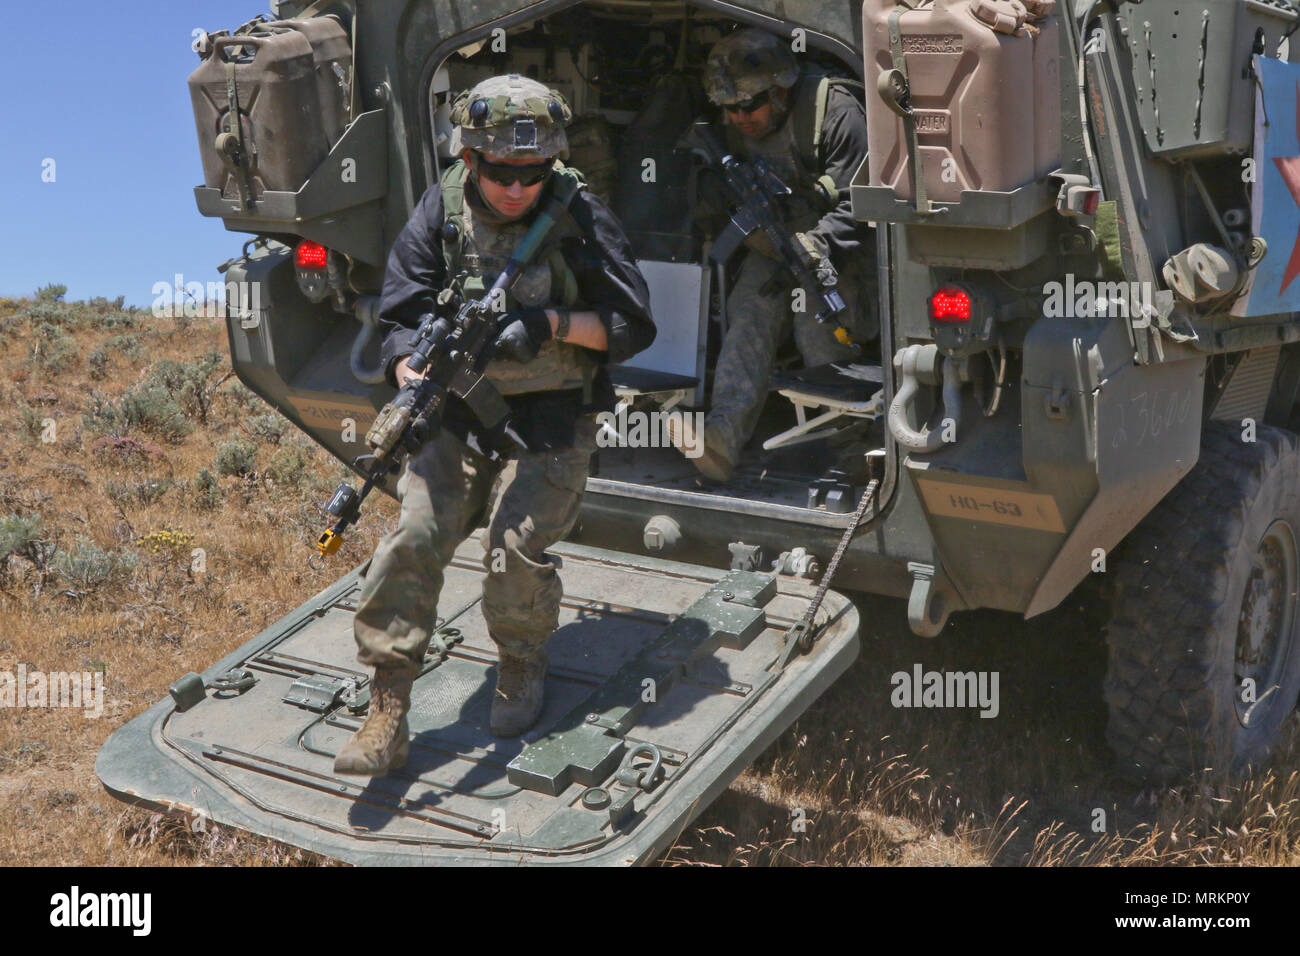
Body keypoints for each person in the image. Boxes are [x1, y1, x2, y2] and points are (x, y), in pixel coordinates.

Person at [334, 74, 655, 775]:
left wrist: (548, 325)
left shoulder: (579, 214)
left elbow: (633, 326)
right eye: (502, 172)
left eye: (532, 174)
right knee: (412, 538)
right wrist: (407, 367)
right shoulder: (441, 208)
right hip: (457, 413)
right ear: (470, 157)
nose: (516, 189)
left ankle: (520, 658)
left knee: (513, 549)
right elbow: (399, 312)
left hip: (552, 418)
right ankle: (387, 703)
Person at [681, 27, 876, 481]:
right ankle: (722, 438)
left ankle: (852, 445)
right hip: (773, 245)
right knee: (749, 311)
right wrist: (728, 205)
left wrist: (816, 246)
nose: (740, 117)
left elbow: (861, 203)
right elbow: (705, 183)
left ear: (781, 90)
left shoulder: (835, 113)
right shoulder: (732, 127)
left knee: (817, 320)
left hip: (838, 253)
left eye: (750, 105)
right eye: (730, 108)